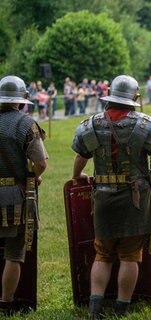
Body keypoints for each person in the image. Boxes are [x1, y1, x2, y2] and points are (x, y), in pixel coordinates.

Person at [71, 75, 151, 318]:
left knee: (103, 253)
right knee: (130, 254)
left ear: (110, 95)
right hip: (134, 198)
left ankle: (95, 307)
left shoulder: (91, 124)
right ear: (134, 97)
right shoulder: (147, 126)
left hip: (103, 196)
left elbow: (81, 156)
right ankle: (121, 307)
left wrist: (78, 175)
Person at [0, 75, 48, 315]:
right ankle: (6, 302)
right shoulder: (25, 124)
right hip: (14, 197)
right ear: (21, 100)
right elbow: (41, 162)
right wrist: (34, 177)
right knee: (14, 253)